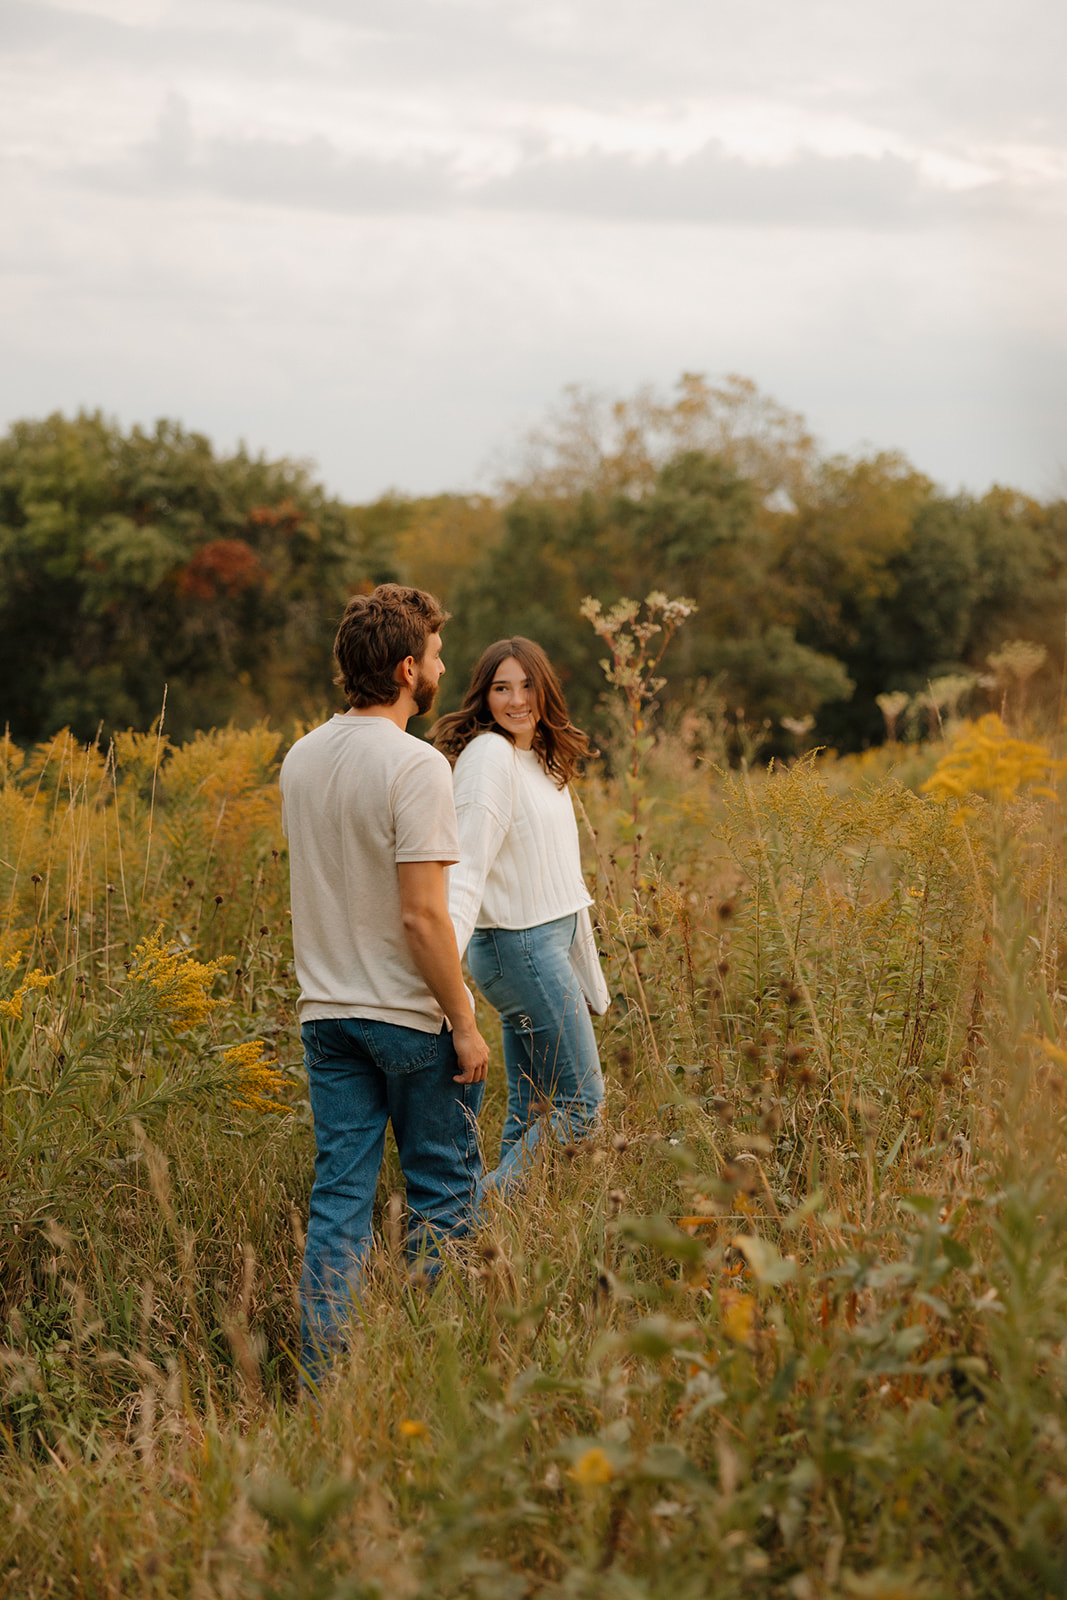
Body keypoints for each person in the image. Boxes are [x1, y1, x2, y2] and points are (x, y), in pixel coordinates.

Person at [280, 584, 490, 1379]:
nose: (442, 666)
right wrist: (464, 1023)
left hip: (325, 1015)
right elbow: (422, 920)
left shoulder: (301, 756)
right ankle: (435, 1374)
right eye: (435, 654)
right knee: (441, 1193)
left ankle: (325, 1381)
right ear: (408, 669)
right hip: (405, 1018)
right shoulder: (416, 766)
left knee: (339, 1201)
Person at [431, 637, 608, 1192]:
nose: (516, 699)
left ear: (545, 687)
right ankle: (465, 1223)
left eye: (526, 685)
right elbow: (466, 867)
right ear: (484, 696)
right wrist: (441, 972)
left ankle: (495, 1238)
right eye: (501, 688)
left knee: (531, 1110)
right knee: (581, 1105)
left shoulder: (538, 757)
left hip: (539, 946)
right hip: (520, 948)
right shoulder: (490, 757)